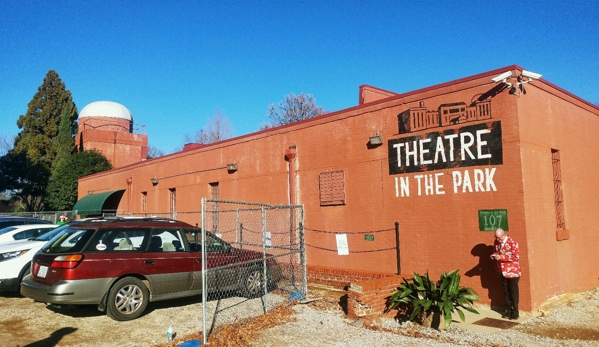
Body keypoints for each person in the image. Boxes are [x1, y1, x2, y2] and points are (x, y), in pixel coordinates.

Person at [490, 228, 521, 320]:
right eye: (496, 237)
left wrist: (501, 257)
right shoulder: (497, 242)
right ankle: (507, 310)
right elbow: (496, 251)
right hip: (502, 270)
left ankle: (515, 311)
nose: (498, 240)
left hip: (512, 271)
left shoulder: (513, 242)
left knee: (513, 291)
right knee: (505, 291)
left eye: (499, 238)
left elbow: (515, 256)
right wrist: (494, 255)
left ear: (504, 235)